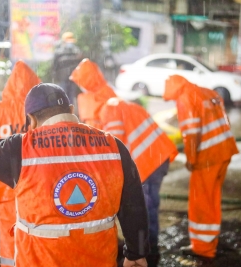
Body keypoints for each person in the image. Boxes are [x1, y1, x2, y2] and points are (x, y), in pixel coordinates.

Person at [0, 83, 149, 267]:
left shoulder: (19, 149)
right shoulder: (114, 146)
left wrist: (30, 131)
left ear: (30, 119)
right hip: (97, 260)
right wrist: (136, 252)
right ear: (71, 109)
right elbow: (134, 205)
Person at [70, 59, 178, 267]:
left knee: (145, 209)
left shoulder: (109, 108)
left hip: (149, 162)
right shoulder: (114, 101)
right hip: (156, 157)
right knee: (147, 207)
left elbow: (113, 149)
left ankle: (148, 253)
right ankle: (146, 249)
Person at [163, 75, 239, 261]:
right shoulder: (207, 92)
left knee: (201, 202)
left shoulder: (185, 98)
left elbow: (191, 132)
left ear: (174, 90)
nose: (174, 101)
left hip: (208, 157)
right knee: (212, 198)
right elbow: (223, 119)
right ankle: (210, 241)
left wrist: (191, 159)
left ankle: (203, 248)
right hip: (225, 150)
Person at [0, 61, 41, 267]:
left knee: (8, 234)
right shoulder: (37, 113)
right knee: (35, 233)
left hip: (3, 188)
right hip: (33, 188)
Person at [51, 31, 83, 107]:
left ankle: (69, 113)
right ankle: (64, 112)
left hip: (73, 78)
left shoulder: (76, 51)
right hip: (63, 78)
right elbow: (54, 66)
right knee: (63, 95)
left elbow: (80, 64)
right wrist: (55, 76)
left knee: (71, 96)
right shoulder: (59, 52)